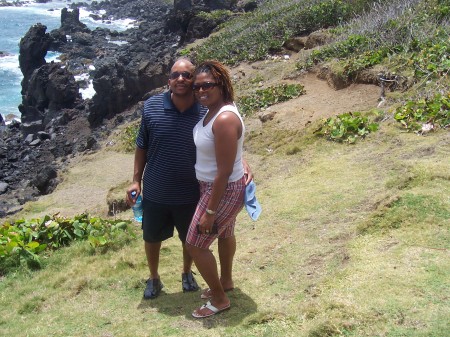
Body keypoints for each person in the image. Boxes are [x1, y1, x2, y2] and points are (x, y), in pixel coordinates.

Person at [126, 58, 252, 300]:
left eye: (187, 75)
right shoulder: (152, 106)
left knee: (191, 239)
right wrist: (135, 181)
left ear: (194, 79)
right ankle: (153, 277)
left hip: (193, 190)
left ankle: (187, 272)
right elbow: (141, 145)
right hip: (156, 188)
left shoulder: (207, 107)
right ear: (169, 80)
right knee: (151, 237)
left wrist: (242, 163)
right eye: (175, 75)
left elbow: (227, 142)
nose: (181, 79)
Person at [186, 60, 247, 318]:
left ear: (221, 84)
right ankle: (227, 281)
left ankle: (220, 299)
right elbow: (232, 153)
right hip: (216, 185)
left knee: (195, 244)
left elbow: (223, 171)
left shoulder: (223, 118)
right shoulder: (214, 111)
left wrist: (210, 210)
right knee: (225, 234)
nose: (201, 91)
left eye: (207, 85)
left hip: (221, 189)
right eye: (196, 87)